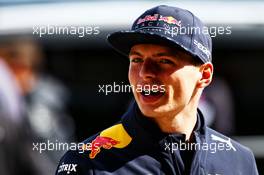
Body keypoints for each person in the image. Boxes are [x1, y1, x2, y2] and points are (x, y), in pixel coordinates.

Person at [55, 5, 259, 175]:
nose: (145, 73)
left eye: (164, 61)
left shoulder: (239, 161)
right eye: (136, 60)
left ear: (204, 75)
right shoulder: (87, 160)